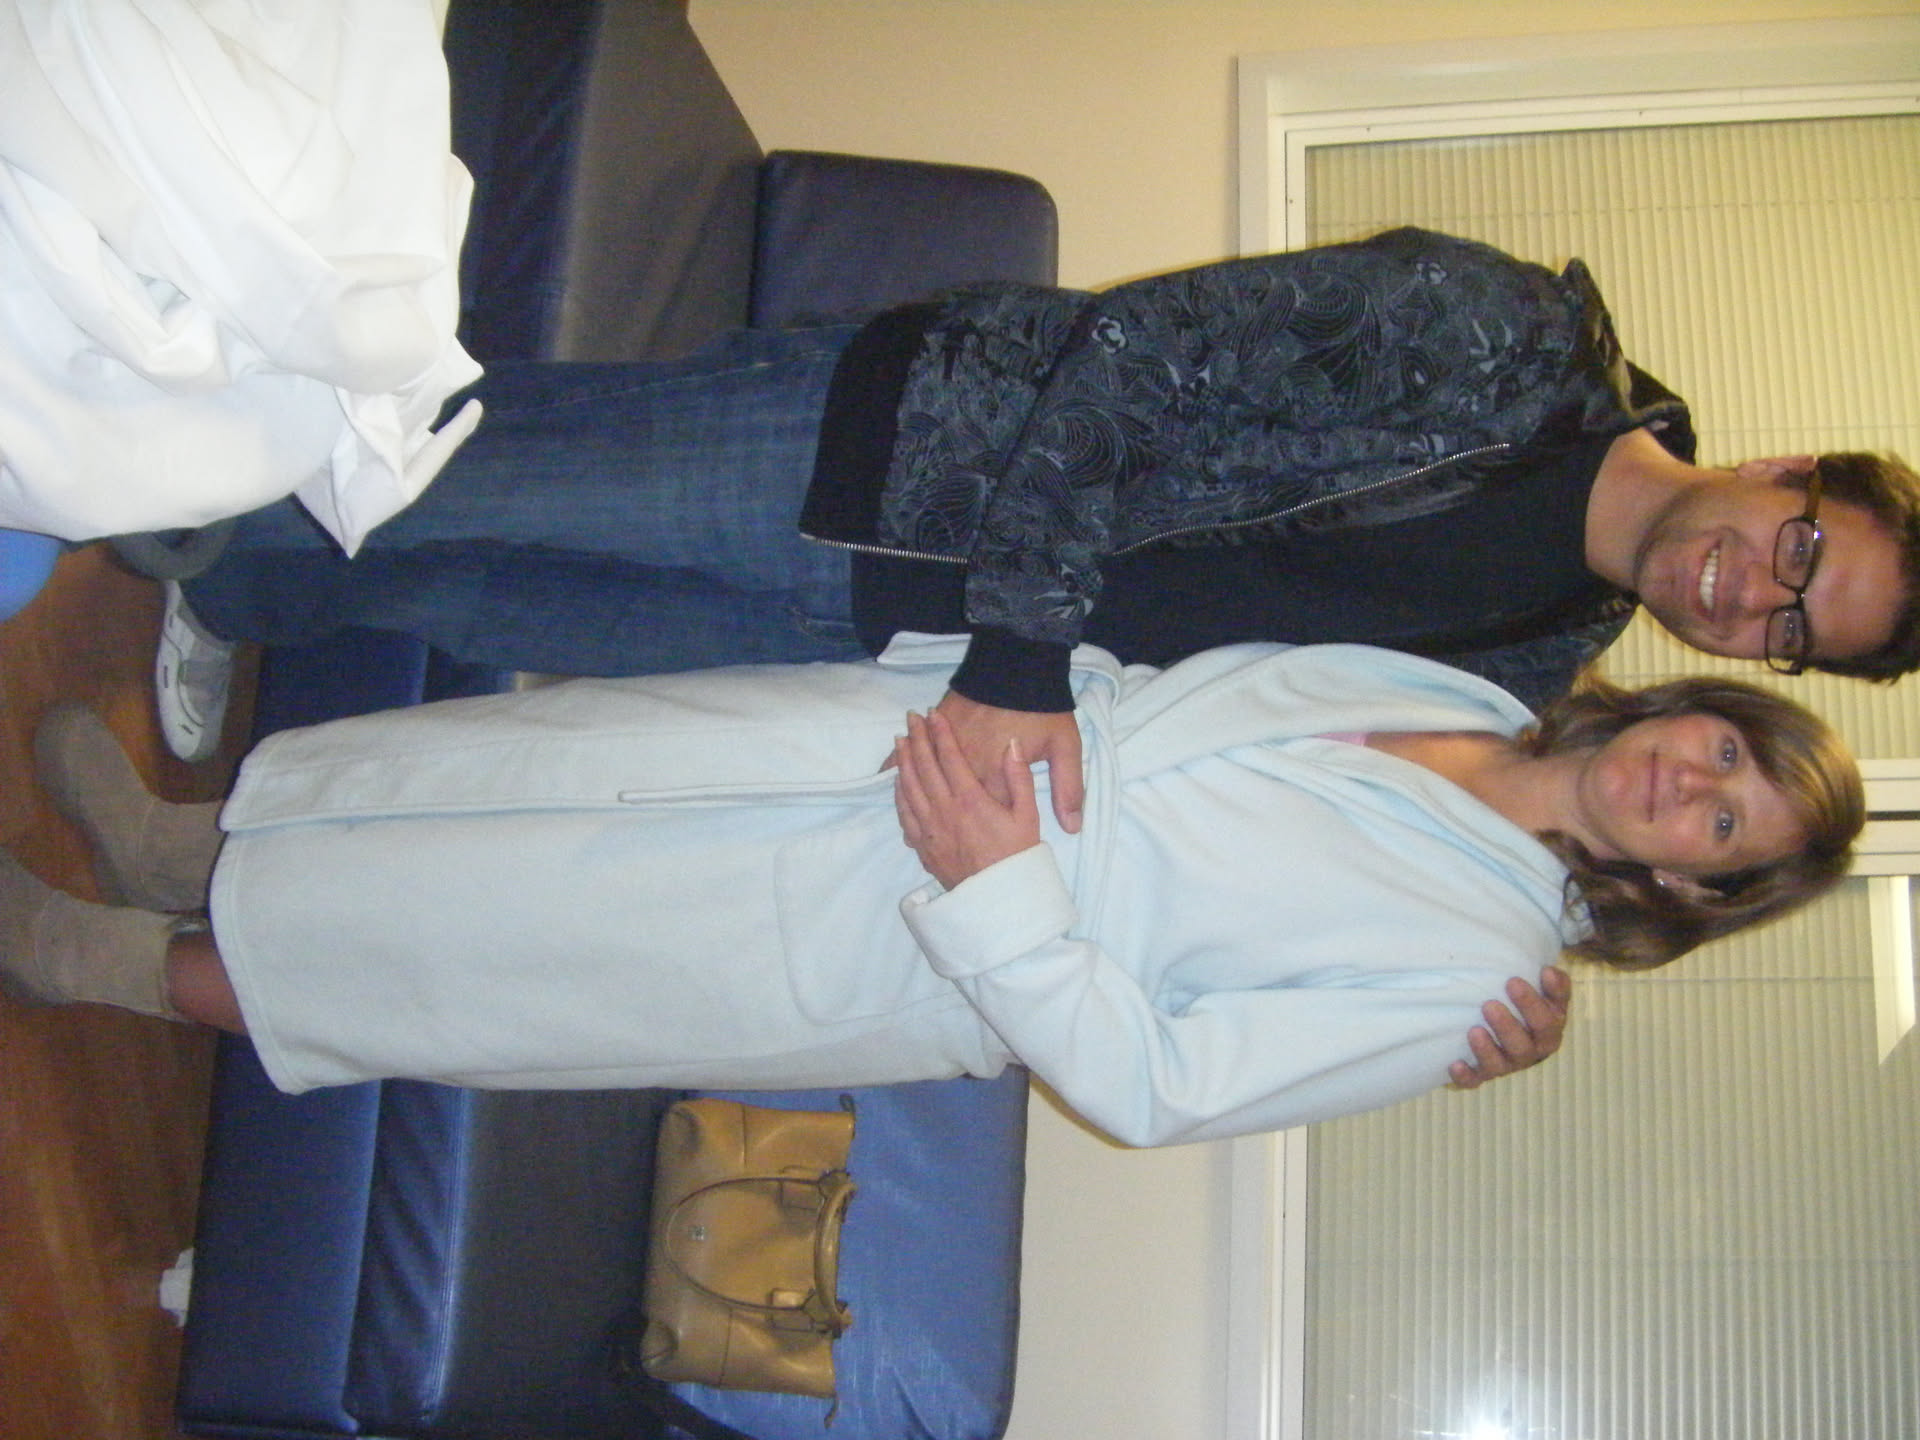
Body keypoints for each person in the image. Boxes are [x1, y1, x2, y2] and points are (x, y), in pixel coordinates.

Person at [165, 228, 1920, 834]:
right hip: (898, 452)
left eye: (1793, 635)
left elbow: (1354, 779)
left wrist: (1511, 998)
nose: (1747, 601)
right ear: (1785, 472)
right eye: (1798, 556)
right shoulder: (1509, 344)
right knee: (475, 472)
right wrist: (1018, 657)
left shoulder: (1541, 664)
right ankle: (146, 468)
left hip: (913, 650)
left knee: (505, 601)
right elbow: (1145, 352)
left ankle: (228, 583)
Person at [0, 640, 1861, 1148]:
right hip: (891, 749)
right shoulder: (1449, 695)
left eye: (1726, 828)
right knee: (500, 777)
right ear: (1689, 707)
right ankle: (181, 843)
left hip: (916, 931)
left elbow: (1164, 1086)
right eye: (1725, 752)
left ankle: (105, 959)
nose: (1691, 787)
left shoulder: (1475, 980)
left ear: (1684, 886)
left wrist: (999, 890)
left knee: (465, 949)